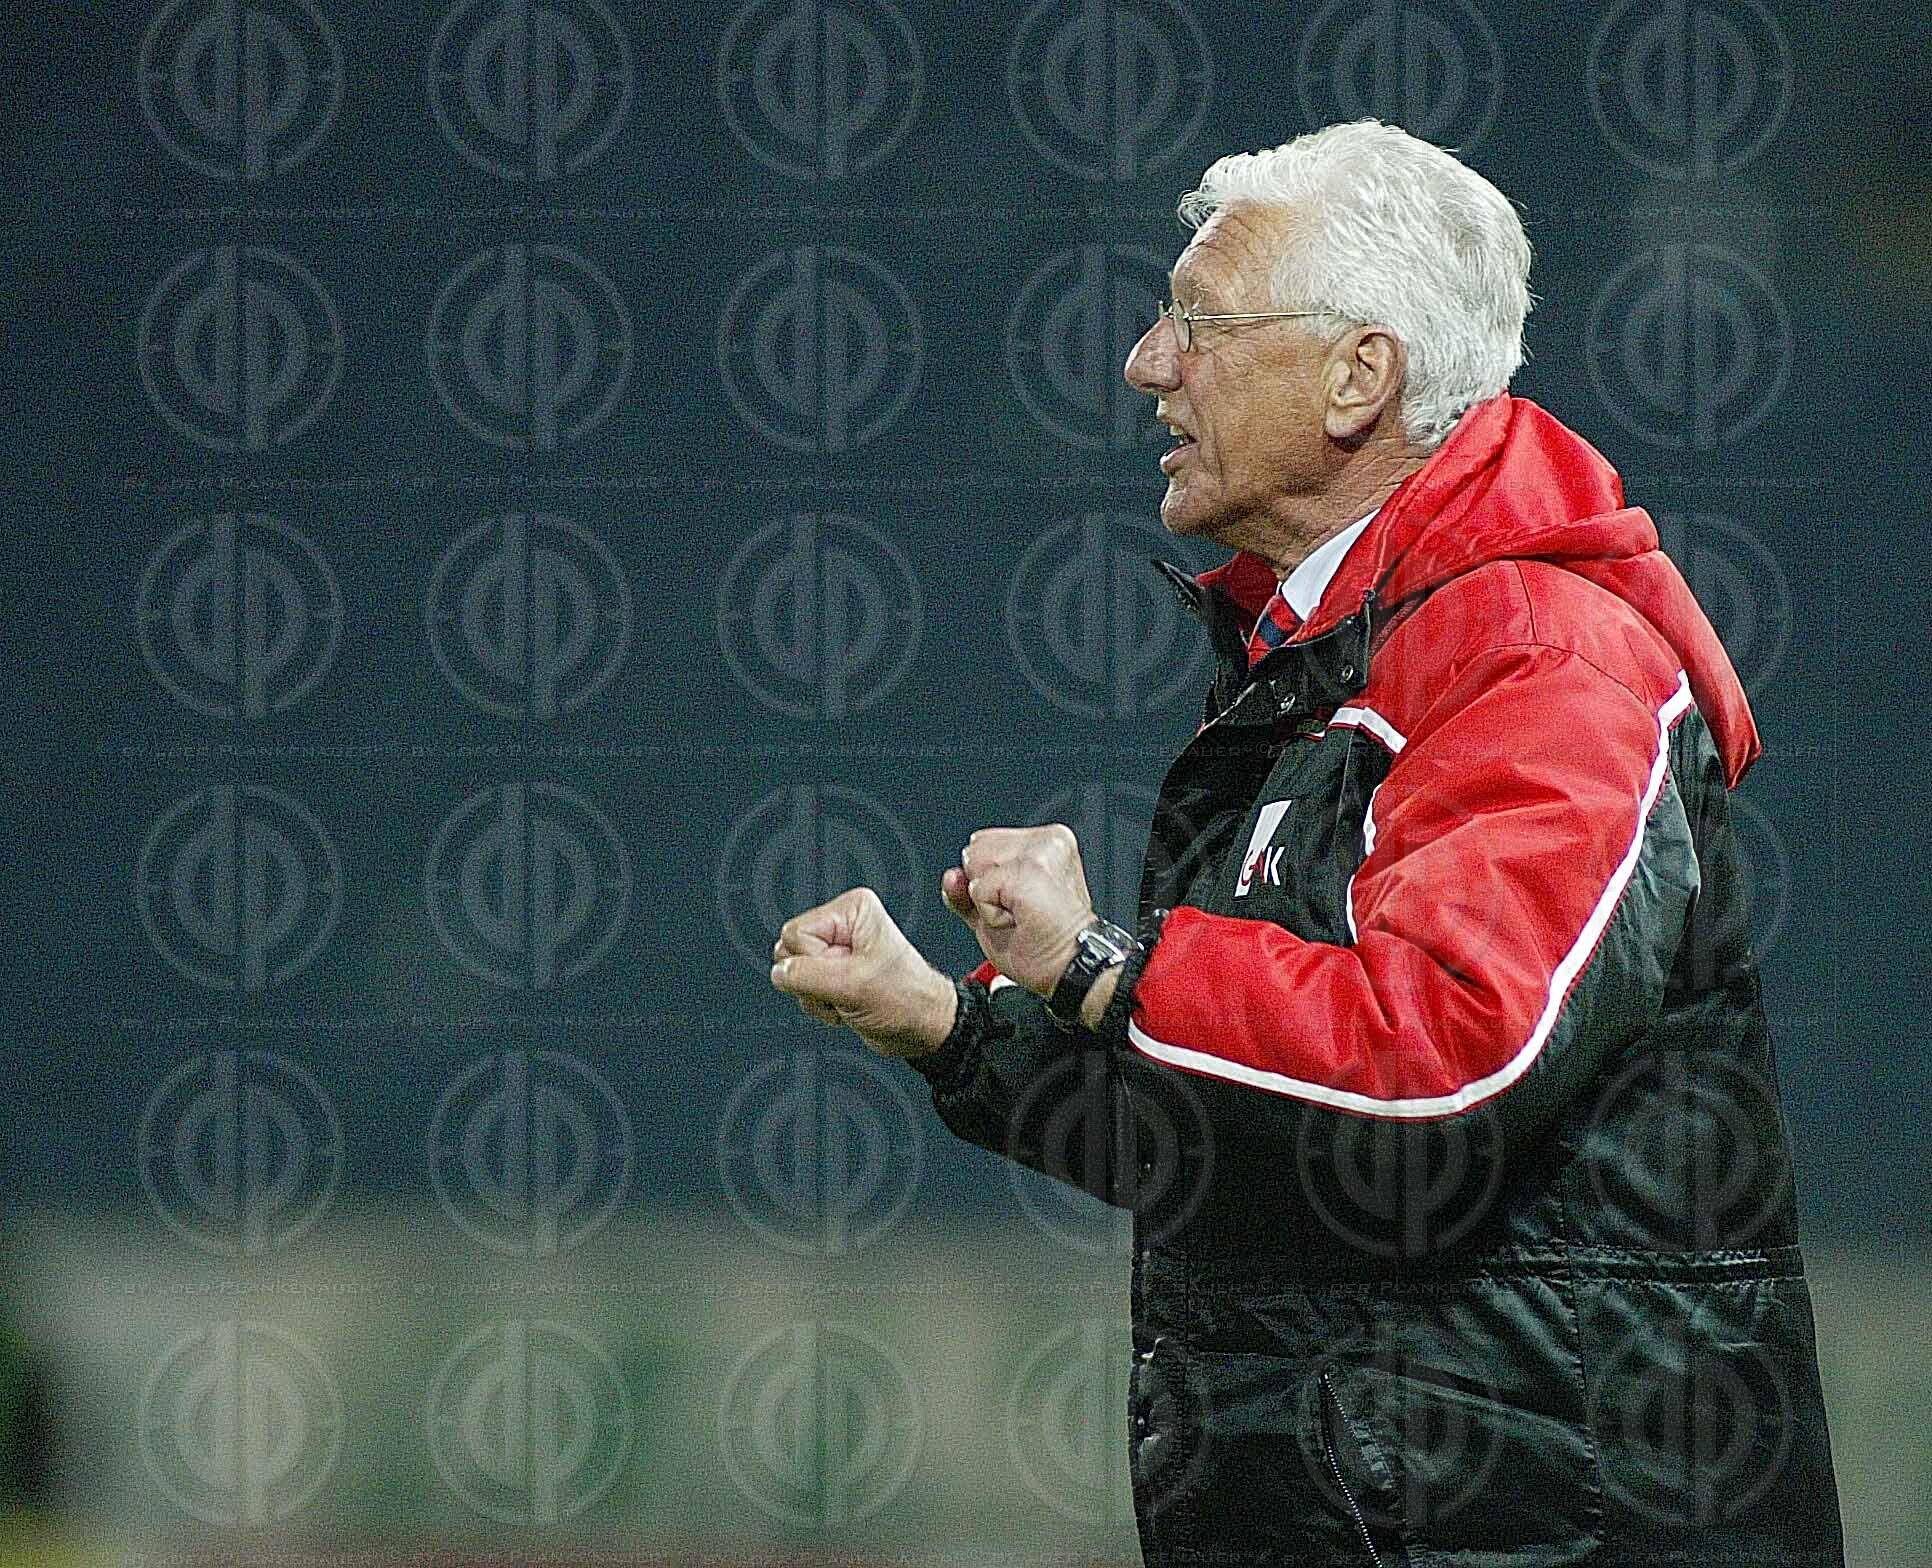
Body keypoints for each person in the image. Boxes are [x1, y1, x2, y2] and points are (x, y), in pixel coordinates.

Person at [769, 119, 1844, 1567]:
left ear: (1359, 375)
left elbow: (1449, 1060)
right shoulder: (1345, 655)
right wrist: (956, 1029)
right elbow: (1261, 1143)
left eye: (1200, 323)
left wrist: (1103, 966)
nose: (1148, 364)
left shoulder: (1539, 655)